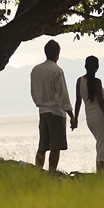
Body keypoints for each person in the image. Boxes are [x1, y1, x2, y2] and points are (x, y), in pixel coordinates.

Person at [30, 39, 77, 172]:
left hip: (42, 111)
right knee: (55, 147)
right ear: (57, 54)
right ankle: (51, 173)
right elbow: (63, 95)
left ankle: (38, 172)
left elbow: (33, 92)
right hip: (56, 112)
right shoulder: (57, 71)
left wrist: (39, 103)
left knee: (42, 146)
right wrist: (72, 116)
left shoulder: (35, 70)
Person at [74, 55, 104, 173]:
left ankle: (103, 171)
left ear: (85, 66)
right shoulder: (97, 82)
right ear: (97, 67)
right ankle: (100, 174)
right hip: (100, 117)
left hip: (90, 119)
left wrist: (76, 118)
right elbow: (102, 103)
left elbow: (78, 101)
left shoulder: (79, 81)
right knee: (102, 146)